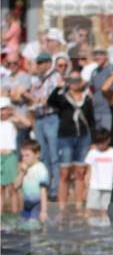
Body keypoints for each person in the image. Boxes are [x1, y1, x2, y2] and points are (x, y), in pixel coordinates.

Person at [47, 72, 95, 207]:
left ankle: (79, 205)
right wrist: (58, 87)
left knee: (80, 172)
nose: (74, 83)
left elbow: (91, 121)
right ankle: (62, 207)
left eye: (77, 80)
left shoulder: (87, 98)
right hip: (65, 138)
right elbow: (50, 101)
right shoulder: (63, 98)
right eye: (71, 80)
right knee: (64, 173)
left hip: (83, 138)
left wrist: (93, 141)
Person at [29, 52, 62, 198]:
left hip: (51, 117)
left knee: (54, 155)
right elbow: (33, 98)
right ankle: (45, 187)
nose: (38, 65)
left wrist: (42, 100)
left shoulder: (56, 77)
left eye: (40, 63)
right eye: (37, 63)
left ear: (48, 63)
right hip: (39, 118)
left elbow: (56, 98)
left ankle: (55, 190)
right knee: (42, 155)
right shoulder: (37, 79)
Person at [83, 127, 113, 218]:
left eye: (102, 141)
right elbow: (88, 172)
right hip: (94, 187)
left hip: (109, 188)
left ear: (108, 140)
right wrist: (86, 188)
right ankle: (90, 227)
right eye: (98, 142)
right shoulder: (92, 153)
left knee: (105, 212)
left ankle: (104, 226)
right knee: (89, 212)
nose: (100, 144)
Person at [13, 138, 48, 223]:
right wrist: (22, 172)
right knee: (23, 226)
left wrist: (44, 211)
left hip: (37, 206)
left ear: (37, 154)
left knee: (33, 226)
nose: (24, 158)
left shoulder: (41, 169)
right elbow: (16, 186)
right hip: (26, 206)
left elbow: (43, 192)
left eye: (27, 155)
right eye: (22, 155)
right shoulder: (24, 168)